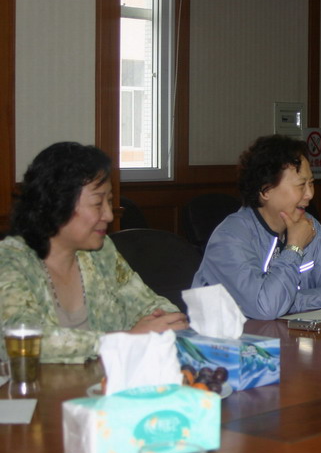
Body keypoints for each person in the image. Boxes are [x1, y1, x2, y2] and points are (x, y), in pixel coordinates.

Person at [0, 142, 188, 364]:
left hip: (103, 381)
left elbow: (147, 303)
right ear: (57, 204)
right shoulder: (11, 260)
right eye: (98, 203)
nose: (109, 215)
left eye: (109, 202)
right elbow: (21, 339)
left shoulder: (101, 251)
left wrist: (167, 319)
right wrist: (125, 340)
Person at [192, 135, 321, 319]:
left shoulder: (309, 225)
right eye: (301, 185)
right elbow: (267, 307)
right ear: (266, 190)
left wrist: (289, 302)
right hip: (224, 336)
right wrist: (294, 248)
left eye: (311, 183)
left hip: (284, 333)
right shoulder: (230, 237)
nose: (310, 194)